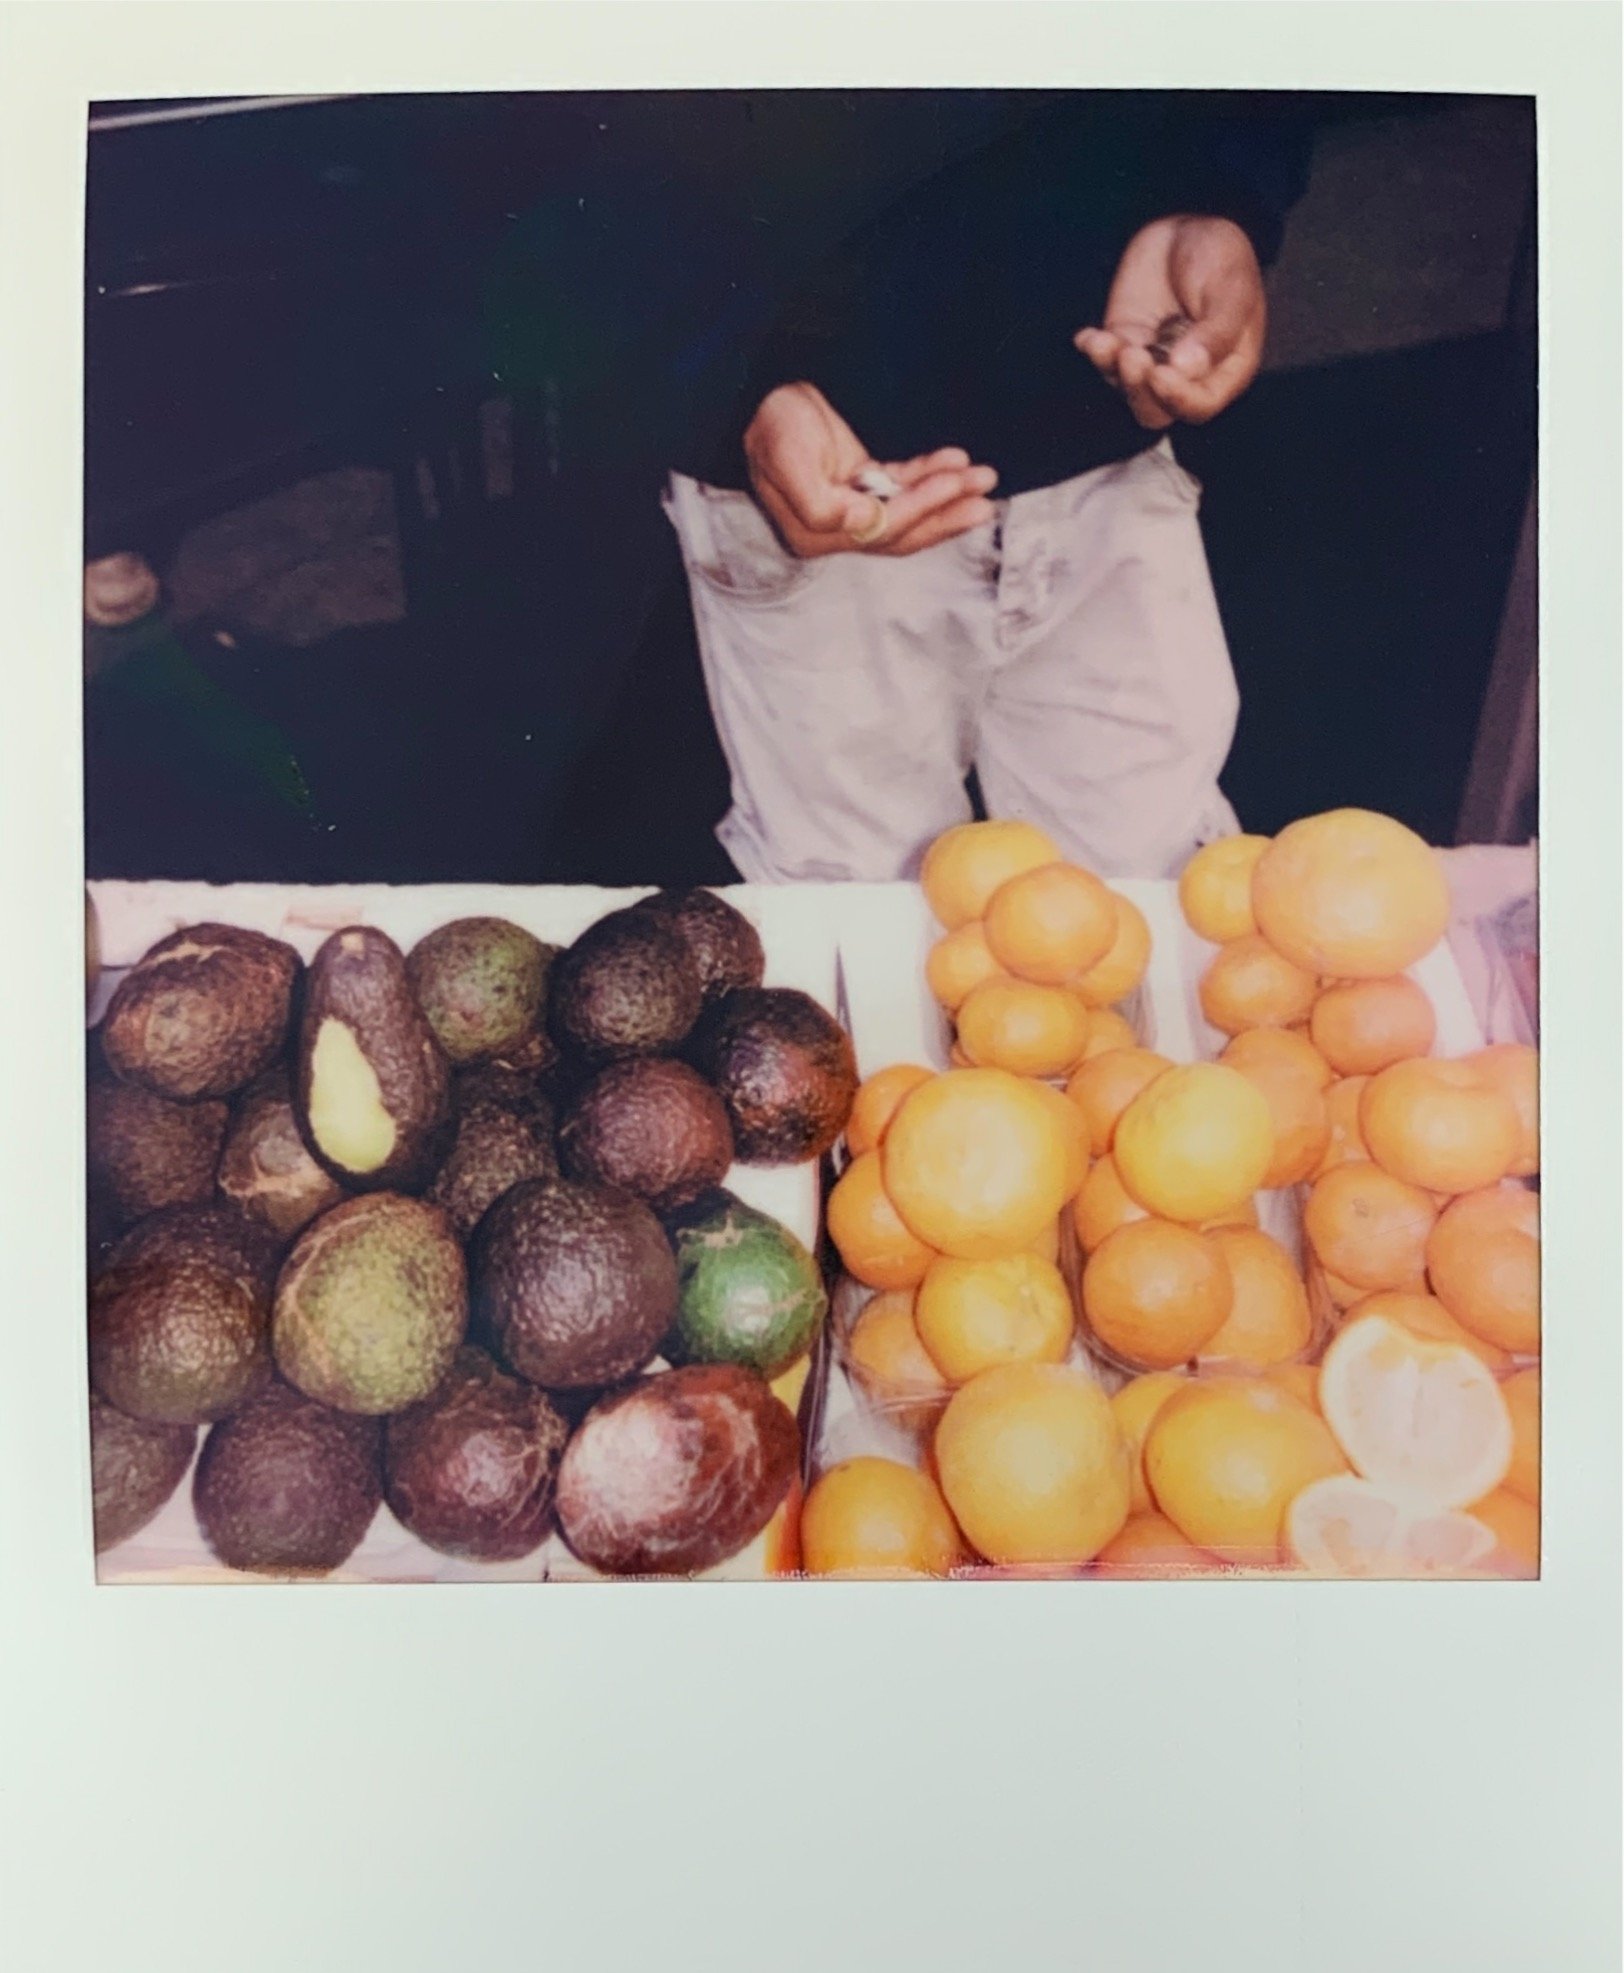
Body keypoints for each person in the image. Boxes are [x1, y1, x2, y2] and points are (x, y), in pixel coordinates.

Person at [662, 95, 1313, 883]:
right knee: (854, 918)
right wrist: (730, 383)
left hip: (1105, 417)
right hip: (823, 465)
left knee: (1156, 902)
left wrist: (1221, 196)